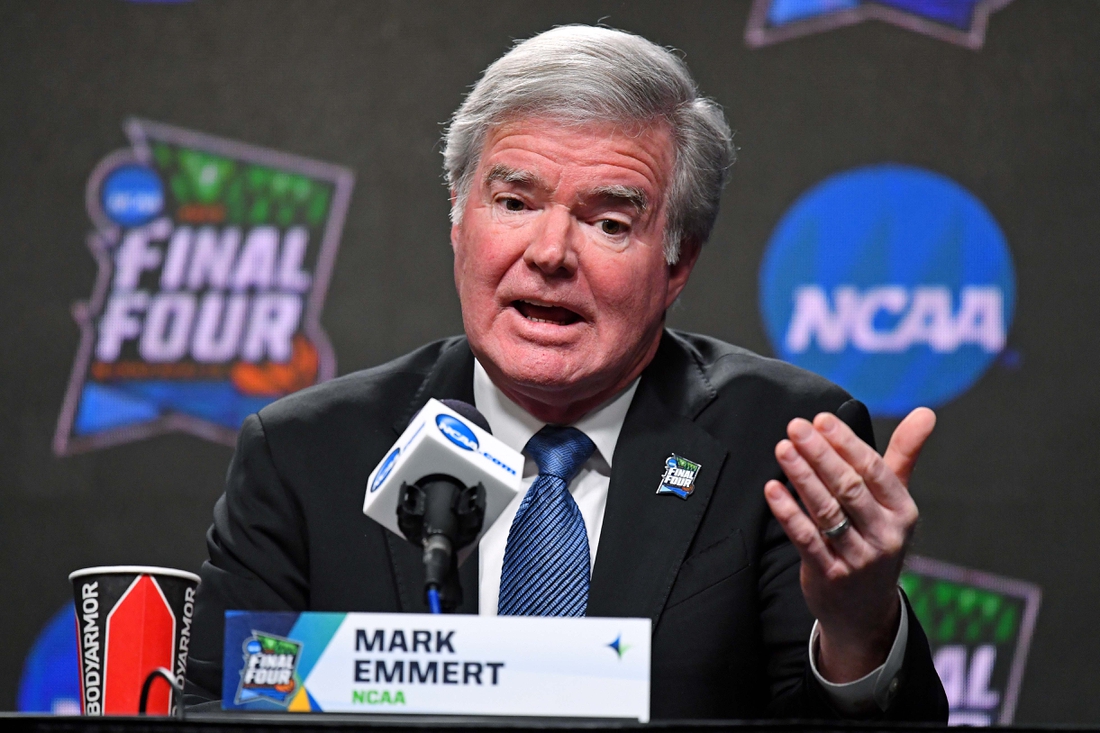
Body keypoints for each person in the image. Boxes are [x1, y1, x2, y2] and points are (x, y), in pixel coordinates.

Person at [185, 25, 948, 720]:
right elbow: (223, 710)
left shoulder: (779, 446)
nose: (550, 252)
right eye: (514, 201)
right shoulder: (305, 455)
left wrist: (857, 632)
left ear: (676, 261)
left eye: (609, 222)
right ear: (458, 217)